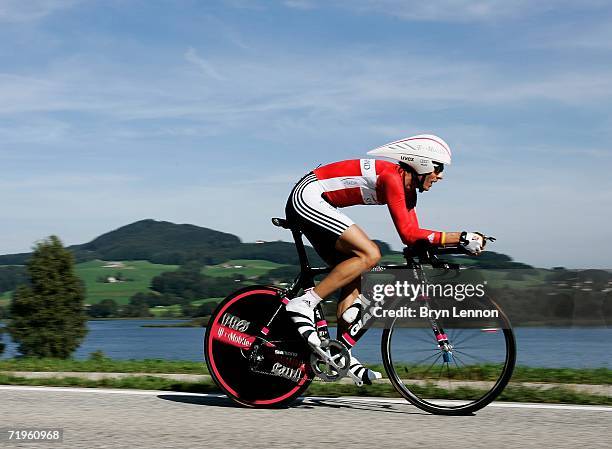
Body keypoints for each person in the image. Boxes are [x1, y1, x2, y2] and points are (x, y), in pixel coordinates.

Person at [284, 134, 486, 385]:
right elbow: (410, 234)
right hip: (308, 196)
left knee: (356, 272)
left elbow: (413, 237)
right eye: (438, 168)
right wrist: (461, 235)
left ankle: (340, 354)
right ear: (422, 164)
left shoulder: (409, 192)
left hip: (322, 202)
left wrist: (458, 244)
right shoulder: (392, 177)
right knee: (370, 254)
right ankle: (305, 302)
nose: (440, 176)